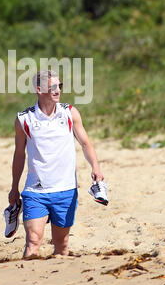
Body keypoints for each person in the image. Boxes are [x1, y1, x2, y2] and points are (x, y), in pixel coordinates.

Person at [8, 70, 104, 259]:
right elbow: (19, 155)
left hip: (65, 189)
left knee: (61, 245)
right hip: (36, 191)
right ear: (39, 89)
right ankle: (26, 282)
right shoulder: (24, 119)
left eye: (60, 86)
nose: (57, 90)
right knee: (34, 241)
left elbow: (86, 143)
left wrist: (96, 167)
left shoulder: (69, 113)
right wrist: (14, 187)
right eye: (52, 87)